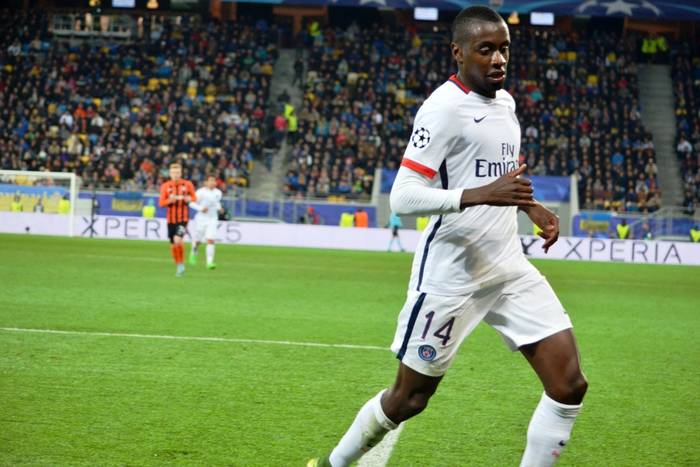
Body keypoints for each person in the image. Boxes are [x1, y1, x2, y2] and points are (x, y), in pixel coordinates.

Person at [308, 7, 587, 467]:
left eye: (504, 49)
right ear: (458, 52)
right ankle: (332, 464)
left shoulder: (505, 104)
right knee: (408, 399)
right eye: (486, 49)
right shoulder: (443, 109)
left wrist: (529, 206)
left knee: (569, 385)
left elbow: (502, 176)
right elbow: (403, 197)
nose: (498, 59)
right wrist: (482, 195)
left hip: (508, 267)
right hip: (451, 275)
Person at [159, 162, 196, 277]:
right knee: (173, 244)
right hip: (170, 220)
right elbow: (161, 203)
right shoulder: (165, 186)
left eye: (178, 173)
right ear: (170, 174)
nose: (175, 175)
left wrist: (189, 199)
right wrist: (170, 201)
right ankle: (179, 265)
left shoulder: (187, 184)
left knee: (177, 240)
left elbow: (194, 197)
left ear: (181, 173)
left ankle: (181, 264)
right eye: (173, 173)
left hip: (183, 218)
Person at [188, 174, 223, 269]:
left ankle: (210, 262)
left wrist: (220, 208)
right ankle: (193, 252)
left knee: (211, 239)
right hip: (201, 219)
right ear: (206, 182)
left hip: (213, 219)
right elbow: (191, 203)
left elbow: (216, 203)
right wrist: (201, 208)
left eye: (214, 180)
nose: (213, 182)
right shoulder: (200, 192)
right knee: (198, 240)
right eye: (210, 180)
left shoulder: (218, 193)